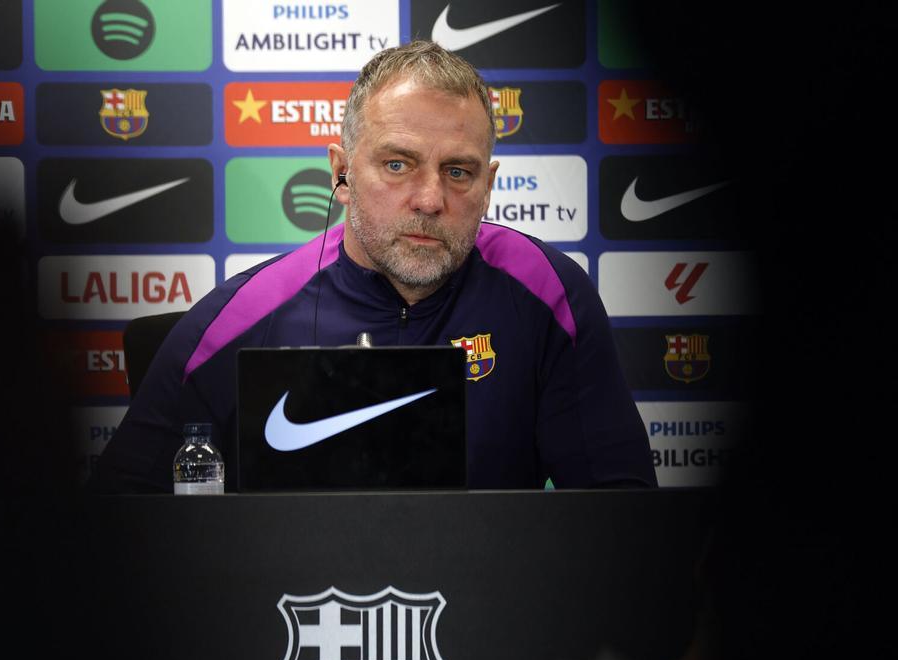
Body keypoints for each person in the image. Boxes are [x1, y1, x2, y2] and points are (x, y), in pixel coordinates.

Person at [89, 40, 654, 493]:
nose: (430, 199)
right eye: (397, 163)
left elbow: (621, 525)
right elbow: (118, 520)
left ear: (489, 184)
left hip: (489, 623)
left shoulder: (549, 295)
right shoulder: (240, 316)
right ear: (341, 172)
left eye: (459, 172)